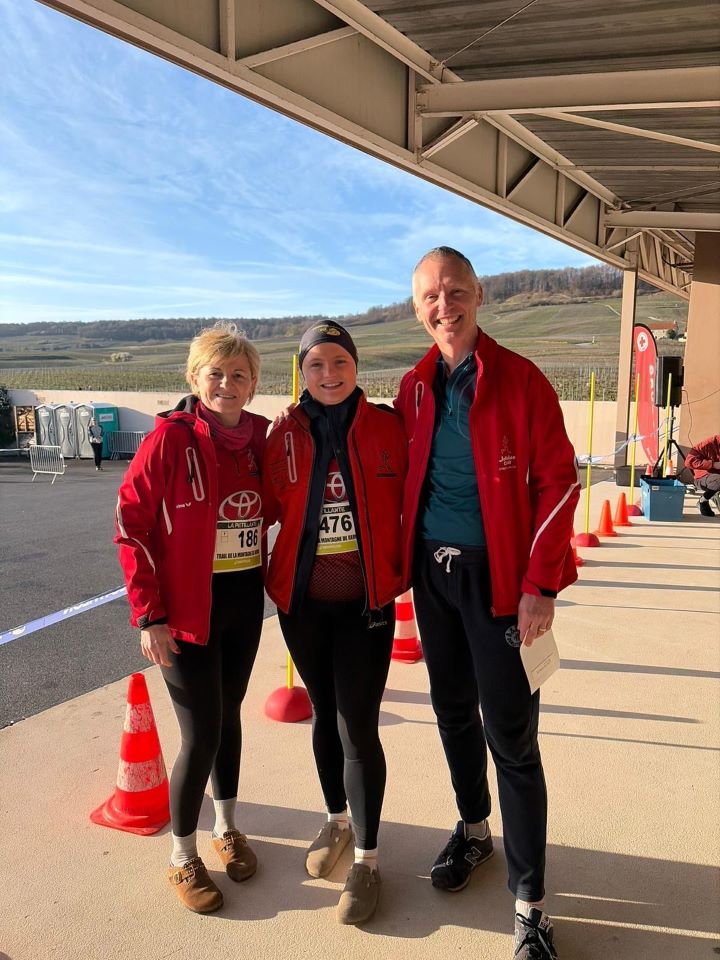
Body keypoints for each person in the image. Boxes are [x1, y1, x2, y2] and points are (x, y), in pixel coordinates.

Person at [394, 247, 580, 960]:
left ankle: (531, 907)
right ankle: (474, 830)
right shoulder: (414, 387)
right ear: (417, 308)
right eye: (430, 296)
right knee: (451, 713)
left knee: (512, 739)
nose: (443, 306)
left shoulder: (521, 380)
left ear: (478, 295)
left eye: (455, 291)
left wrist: (540, 586)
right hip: (434, 578)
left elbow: (560, 482)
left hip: (501, 583)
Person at [115, 322, 270, 914]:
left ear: (253, 384)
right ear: (194, 377)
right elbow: (131, 525)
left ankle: (226, 827)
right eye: (216, 373)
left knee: (228, 720)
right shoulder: (169, 440)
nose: (227, 384)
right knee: (201, 732)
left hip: (243, 605)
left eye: (239, 375)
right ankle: (181, 856)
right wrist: (149, 616)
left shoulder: (261, 437)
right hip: (183, 617)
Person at [263, 320, 407, 926]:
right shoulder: (281, 433)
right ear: (302, 372)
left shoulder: (389, 427)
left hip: (366, 606)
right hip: (302, 605)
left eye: (339, 362)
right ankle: (336, 821)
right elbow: (258, 504)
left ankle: (368, 860)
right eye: (316, 364)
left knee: (358, 726)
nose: (329, 374)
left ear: (356, 367)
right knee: (324, 713)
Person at [684, 434, 720, 516]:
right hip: (703, 478)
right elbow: (688, 462)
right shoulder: (708, 444)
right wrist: (713, 464)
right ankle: (703, 501)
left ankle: (714, 494)